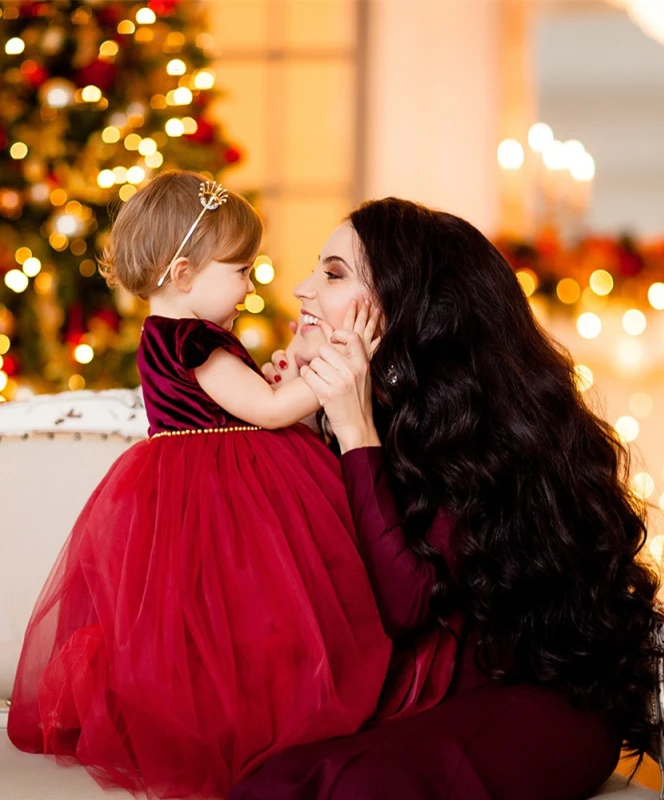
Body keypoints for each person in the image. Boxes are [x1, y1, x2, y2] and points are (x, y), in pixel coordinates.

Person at [231, 198, 661, 800]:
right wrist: (304, 432)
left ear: (406, 305)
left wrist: (355, 432)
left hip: (535, 707)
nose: (302, 289)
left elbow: (406, 604)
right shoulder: (365, 415)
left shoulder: (479, 435)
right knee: (267, 781)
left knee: (354, 788)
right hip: (416, 698)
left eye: (332, 273)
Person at [8, 171, 392, 799]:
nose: (250, 285)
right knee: (247, 610)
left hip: (194, 484)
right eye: (240, 270)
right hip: (218, 493)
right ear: (185, 275)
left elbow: (254, 400)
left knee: (215, 623)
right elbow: (267, 413)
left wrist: (284, 376)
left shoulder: (169, 335)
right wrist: (342, 365)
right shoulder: (192, 339)